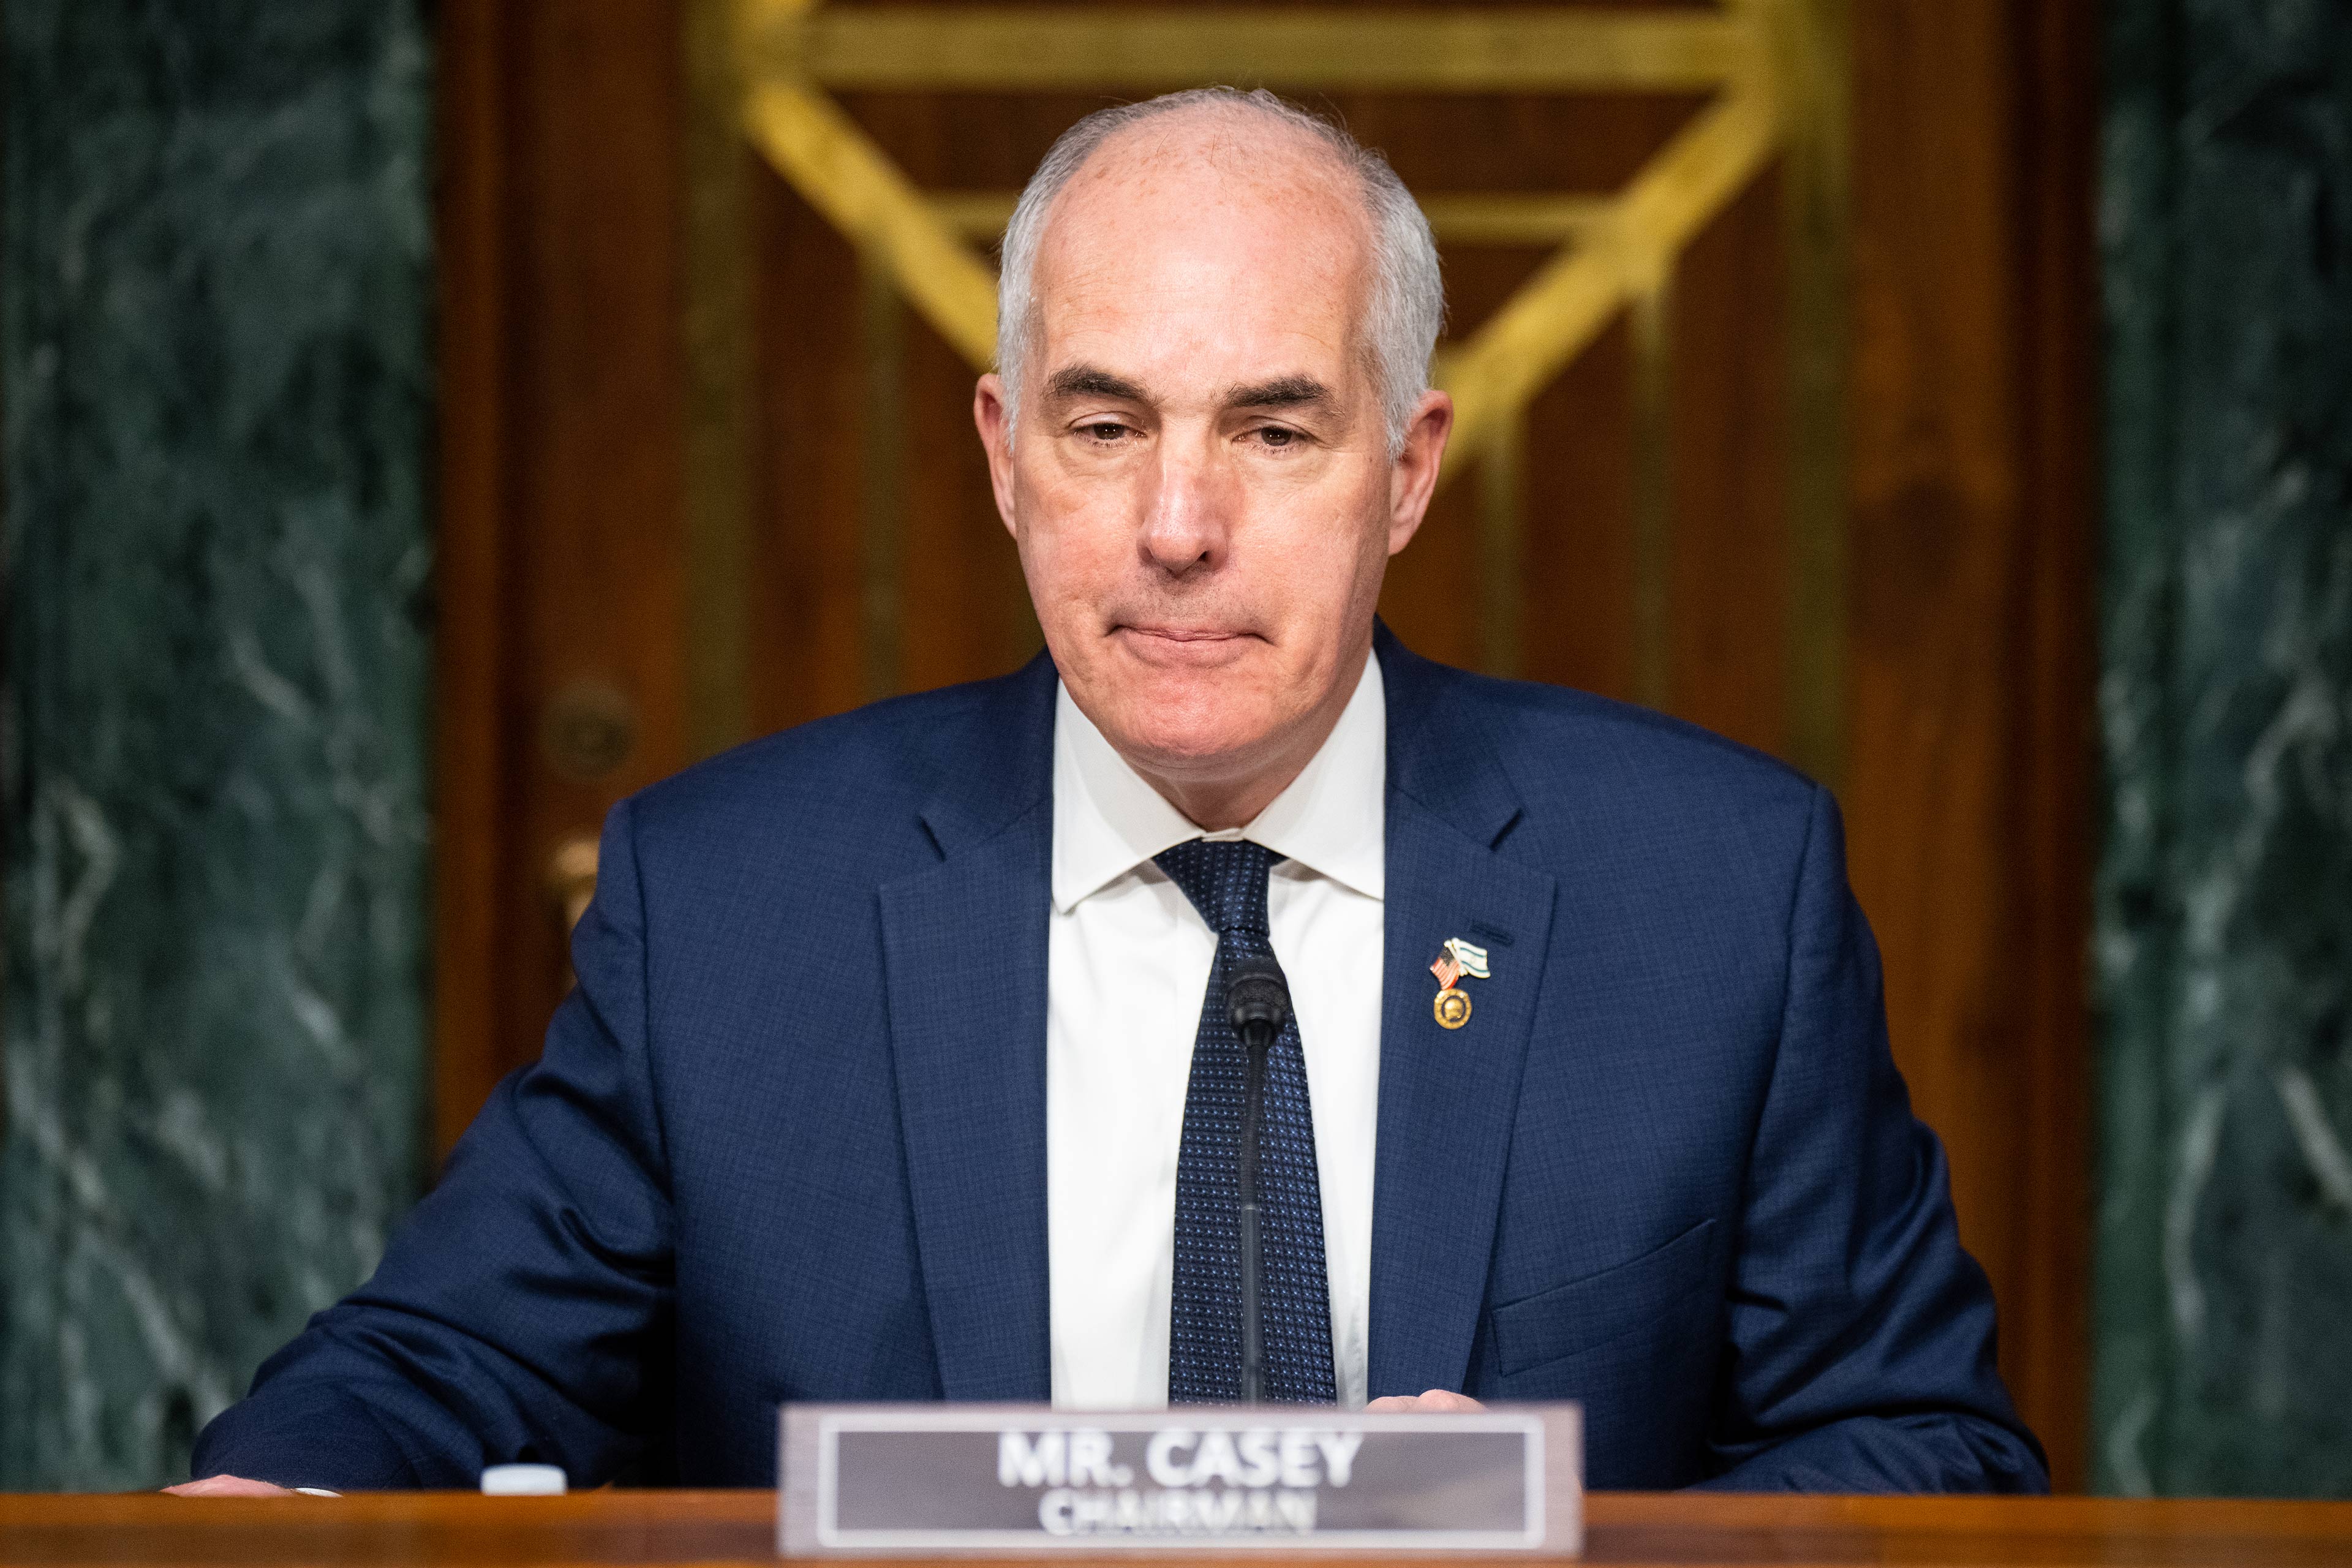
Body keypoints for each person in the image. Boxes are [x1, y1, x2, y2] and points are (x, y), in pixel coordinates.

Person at [180, 88, 2046, 1495]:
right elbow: (439, 1365)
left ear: (1405, 471)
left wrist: (1542, 1530)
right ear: (1007, 458)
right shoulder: (737, 902)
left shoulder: (1713, 890)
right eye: (1104, 426)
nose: (1175, 528)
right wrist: (265, 1498)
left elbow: (1926, 1449)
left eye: (1274, 429)